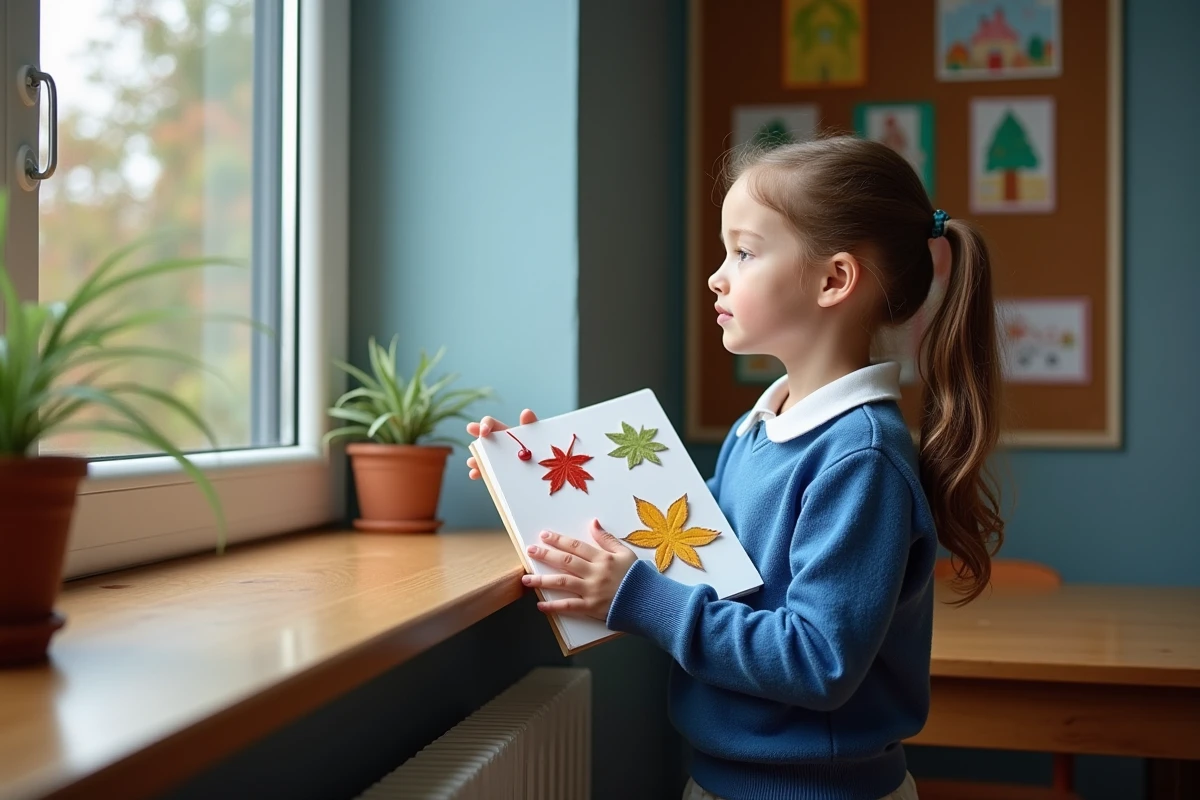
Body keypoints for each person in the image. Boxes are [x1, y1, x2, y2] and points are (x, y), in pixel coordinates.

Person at [465, 135, 1005, 800]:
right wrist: (535, 477)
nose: (717, 277)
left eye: (744, 253)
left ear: (834, 280)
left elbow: (818, 660)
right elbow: (688, 545)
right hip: (721, 779)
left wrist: (638, 598)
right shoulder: (761, 426)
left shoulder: (860, 459)